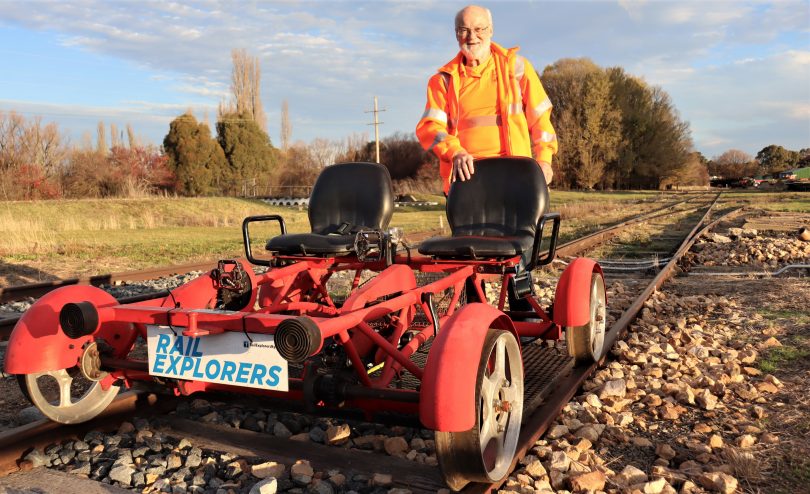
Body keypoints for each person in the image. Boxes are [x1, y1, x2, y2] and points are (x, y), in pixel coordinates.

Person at [415, 5, 557, 194]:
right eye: (464, 30)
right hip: (466, 182)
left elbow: (540, 119)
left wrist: (544, 160)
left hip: (516, 177)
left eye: (479, 29)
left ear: (491, 30)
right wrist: (455, 152)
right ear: (456, 34)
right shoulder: (443, 81)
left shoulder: (517, 68)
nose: (472, 37)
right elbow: (430, 128)